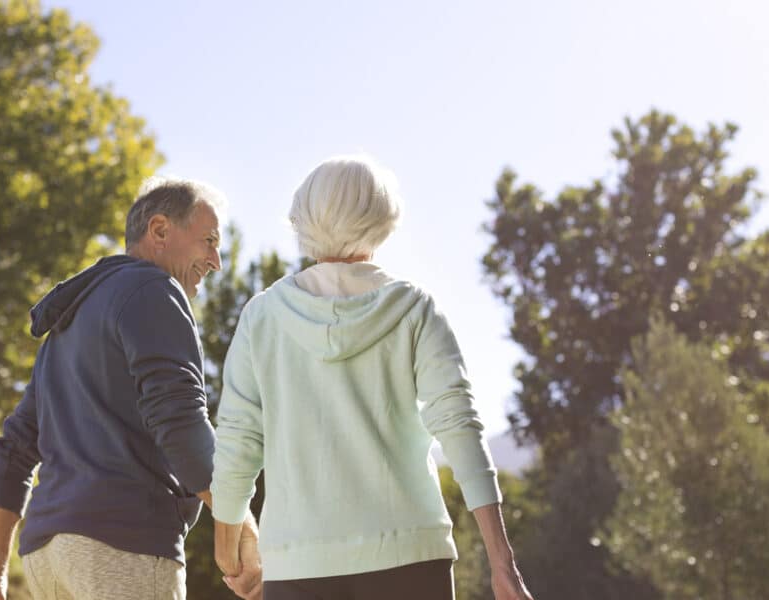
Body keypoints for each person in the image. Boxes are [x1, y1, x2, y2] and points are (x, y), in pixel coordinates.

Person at [209, 156, 534, 600]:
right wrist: (502, 564)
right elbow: (460, 428)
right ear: (383, 217)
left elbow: (237, 444)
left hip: (299, 563)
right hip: (411, 556)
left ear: (304, 217)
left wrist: (231, 553)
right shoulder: (414, 308)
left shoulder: (261, 318)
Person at [0, 177, 262, 600]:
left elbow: (15, 448)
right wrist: (241, 523)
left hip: (47, 558)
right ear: (159, 231)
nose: (216, 261)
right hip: (122, 548)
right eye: (208, 240)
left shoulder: (65, 326)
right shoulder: (156, 290)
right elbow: (179, 422)